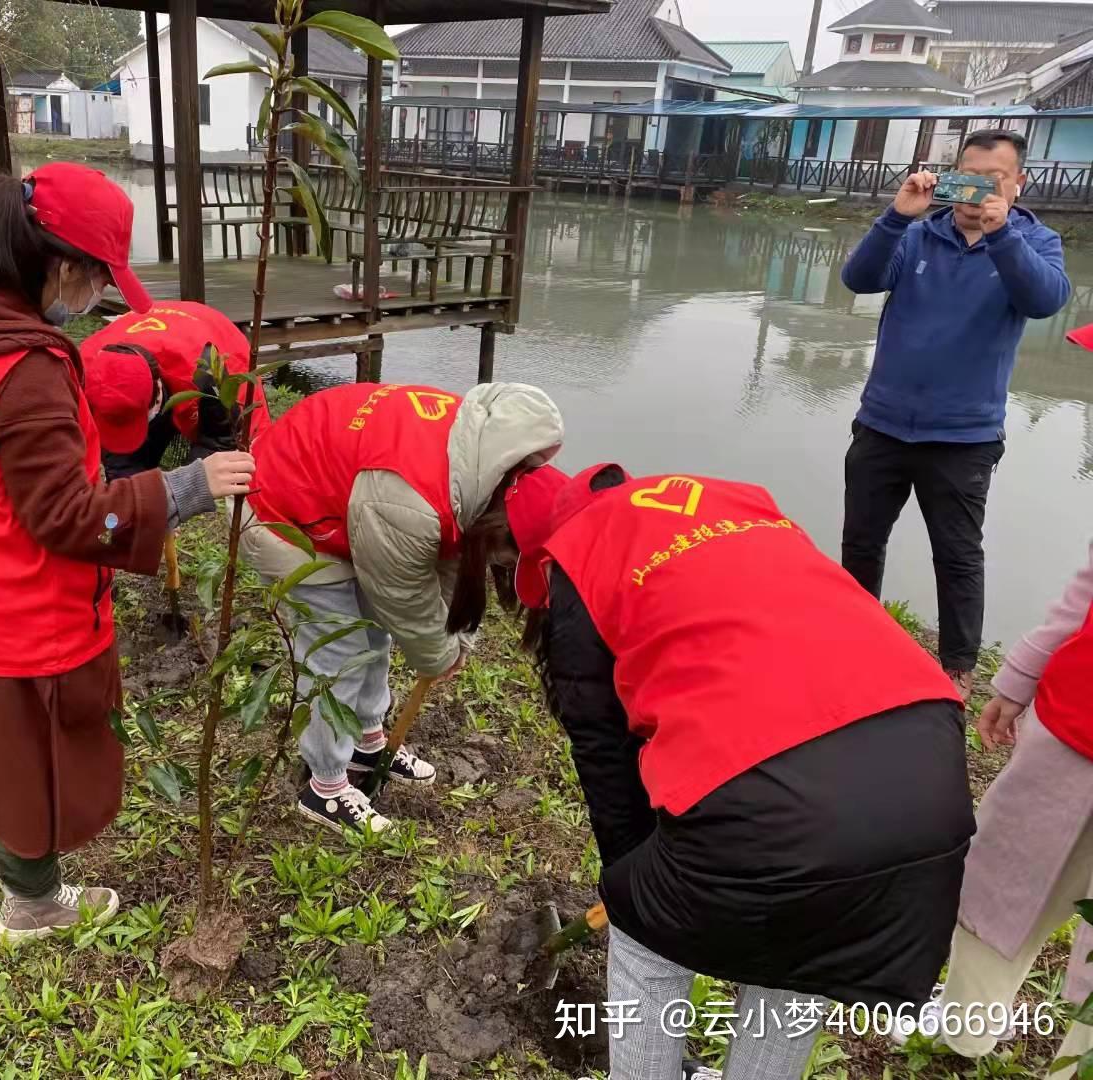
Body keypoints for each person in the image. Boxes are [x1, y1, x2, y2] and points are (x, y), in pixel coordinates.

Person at [502, 463, 973, 1080]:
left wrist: (627, 889)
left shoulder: (583, 561)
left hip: (779, 800)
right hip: (929, 781)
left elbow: (607, 765)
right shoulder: (746, 514)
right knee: (808, 946)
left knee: (648, 946)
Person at [0, 162, 255, 941]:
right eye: (93, 279)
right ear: (57, 265)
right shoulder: (25, 369)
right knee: (32, 756)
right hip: (15, 608)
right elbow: (67, 517)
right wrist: (184, 488)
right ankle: (33, 904)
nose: (93, 301)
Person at [891, 325, 1093, 1069]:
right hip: (1073, 729)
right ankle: (960, 1037)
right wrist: (1021, 677)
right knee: (1001, 876)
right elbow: (1086, 594)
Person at [241, 381, 563, 834]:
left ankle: (368, 741)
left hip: (349, 501)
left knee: (375, 632)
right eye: (508, 558)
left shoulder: (482, 467)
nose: (504, 567)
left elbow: (444, 564)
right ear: (495, 529)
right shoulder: (413, 501)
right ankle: (325, 786)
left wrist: (456, 637)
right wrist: (439, 652)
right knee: (339, 650)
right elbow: (403, 595)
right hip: (284, 507)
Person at [840, 128, 1071, 700]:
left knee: (958, 554)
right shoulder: (918, 236)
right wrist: (895, 216)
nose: (977, 192)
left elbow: (1044, 300)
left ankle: (957, 666)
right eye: (969, 177)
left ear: (1018, 183)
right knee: (861, 542)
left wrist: (1002, 237)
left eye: (994, 181)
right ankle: (848, 635)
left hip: (964, 436)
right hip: (883, 424)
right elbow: (859, 279)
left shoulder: (1036, 242)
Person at [80, 300, 268, 477]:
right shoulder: (84, 368)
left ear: (158, 395)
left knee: (240, 450)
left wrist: (183, 488)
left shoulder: (208, 371)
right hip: (148, 331)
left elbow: (220, 440)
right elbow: (116, 457)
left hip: (208, 334)